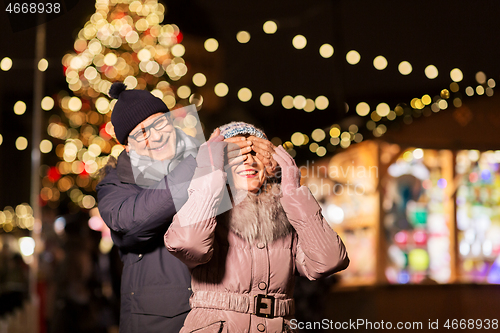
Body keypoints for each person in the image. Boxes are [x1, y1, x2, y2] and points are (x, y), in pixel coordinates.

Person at [164, 122, 349, 333]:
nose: (249, 160)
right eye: (236, 154)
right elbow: (188, 244)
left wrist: (293, 191)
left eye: (256, 153)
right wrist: (208, 173)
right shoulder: (206, 208)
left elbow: (329, 261)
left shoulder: (287, 211)